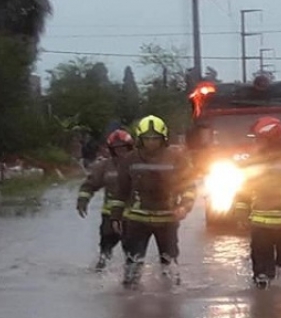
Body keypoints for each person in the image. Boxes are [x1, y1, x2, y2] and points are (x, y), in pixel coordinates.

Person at [110, 115, 196, 287]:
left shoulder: (177, 159)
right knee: (133, 265)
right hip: (136, 221)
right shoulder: (130, 160)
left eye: (155, 138)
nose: (151, 142)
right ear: (140, 139)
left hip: (167, 220)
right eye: (147, 139)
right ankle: (130, 301)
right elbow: (121, 191)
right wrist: (115, 216)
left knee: (170, 265)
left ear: (163, 138)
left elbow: (188, 187)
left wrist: (184, 206)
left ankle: (170, 300)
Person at [234, 116, 281, 289]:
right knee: (277, 269)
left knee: (275, 269)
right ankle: (276, 302)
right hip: (268, 222)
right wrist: (241, 212)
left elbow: (247, 185)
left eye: (259, 138)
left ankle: (267, 305)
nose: (257, 142)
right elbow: (245, 186)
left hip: (275, 222)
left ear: (271, 139)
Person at [77, 129, 134, 270]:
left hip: (133, 216)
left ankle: (130, 277)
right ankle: (101, 272)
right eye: (117, 149)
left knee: (132, 252)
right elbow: (90, 184)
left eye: (123, 148)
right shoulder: (104, 166)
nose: (121, 152)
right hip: (109, 216)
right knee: (105, 250)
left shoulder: (137, 164)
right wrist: (83, 201)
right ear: (112, 150)